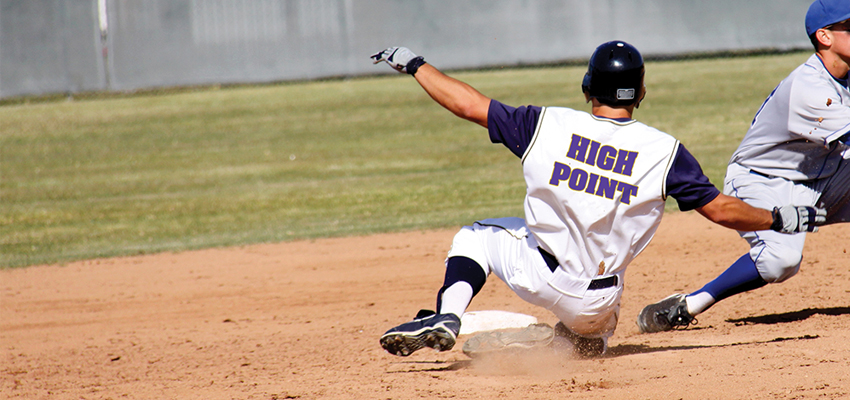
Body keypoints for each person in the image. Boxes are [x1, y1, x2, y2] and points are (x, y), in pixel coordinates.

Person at [370, 41, 824, 358]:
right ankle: (574, 342)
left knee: (476, 236)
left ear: (587, 88)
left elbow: (468, 104)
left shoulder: (545, 124)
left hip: (538, 272)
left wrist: (415, 65)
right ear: (641, 93)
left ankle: (448, 315)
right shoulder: (666, 152)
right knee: (594, 338)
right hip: (597, 304)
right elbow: (723, 210)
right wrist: (780, 218)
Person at [637, 0, 848, 334]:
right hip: (763, 183)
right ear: (824, 36)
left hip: (821, 177)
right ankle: (694, 302)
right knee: (782, 261)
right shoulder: (810, 88)